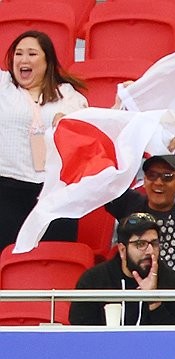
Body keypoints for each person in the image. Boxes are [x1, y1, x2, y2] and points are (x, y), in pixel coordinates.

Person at [0, 30, 88, 249]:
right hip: (7, 189)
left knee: (53, 257)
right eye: (18, 54)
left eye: (32, 54)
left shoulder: (68, 95)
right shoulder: (3, 87)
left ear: (47, 61)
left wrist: (68, 121)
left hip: (54, 192)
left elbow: (85, 126)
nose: (23, 59)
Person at [106, 142, 175, 291]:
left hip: (174, 299)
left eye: (167, 177)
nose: (158, 182)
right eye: (151, 175)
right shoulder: (131, 204)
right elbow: (103, 178)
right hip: (132, 294)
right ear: (144, 181)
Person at [69, 213, 175, 326]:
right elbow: (81, 336)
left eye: (154, 243)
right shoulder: (93, 281)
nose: (150, 251)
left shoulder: (174, 284)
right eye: (141, 244)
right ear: (122, 250)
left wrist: (154, 301)